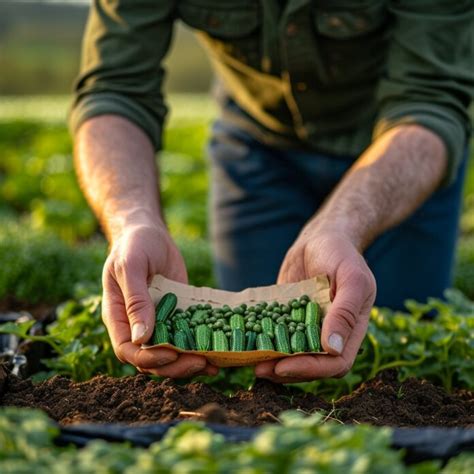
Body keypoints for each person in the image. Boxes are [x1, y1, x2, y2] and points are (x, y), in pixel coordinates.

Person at [70, 1, 473, 382]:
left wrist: (343, 223)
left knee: (397, 365)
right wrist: (132, 220)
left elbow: (430, 100)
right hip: (257, 146)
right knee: (264, 370)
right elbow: (114, 90)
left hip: (401, 158)